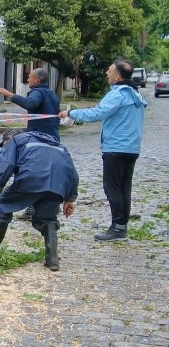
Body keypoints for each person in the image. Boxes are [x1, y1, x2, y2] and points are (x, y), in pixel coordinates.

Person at [58, 60, 147, 241]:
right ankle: (121, 227)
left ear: (117, 76)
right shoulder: (134, 94)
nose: (107, 73)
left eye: (109, 70)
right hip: (131, 148)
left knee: (112, 187)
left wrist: (71, 113)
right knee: (124, 189)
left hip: (116, 147)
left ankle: (117, 228)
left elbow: (98, 113)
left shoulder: (117, 94)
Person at [0, 128, 78, 272]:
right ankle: (52, 259)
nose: (3, 149)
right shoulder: (59, 146)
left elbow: (6, 164)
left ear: (9, 138)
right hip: (57, 183)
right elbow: (72, 172)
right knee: (47, 218)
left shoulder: (16, 140)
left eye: (4, 145)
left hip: (31, 178)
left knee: (3, 205)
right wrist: (70, 198)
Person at [0, 68, 61, 221]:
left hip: (39, 140)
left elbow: (31, 104)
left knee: (32, 172)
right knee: (47, 172)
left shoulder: (38, 93)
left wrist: (10, 95)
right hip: (53, 138)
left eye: (29, 77)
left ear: (37, 80)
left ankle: (32, 207)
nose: (28, 80)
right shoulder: (52, 94)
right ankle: (50, 205)